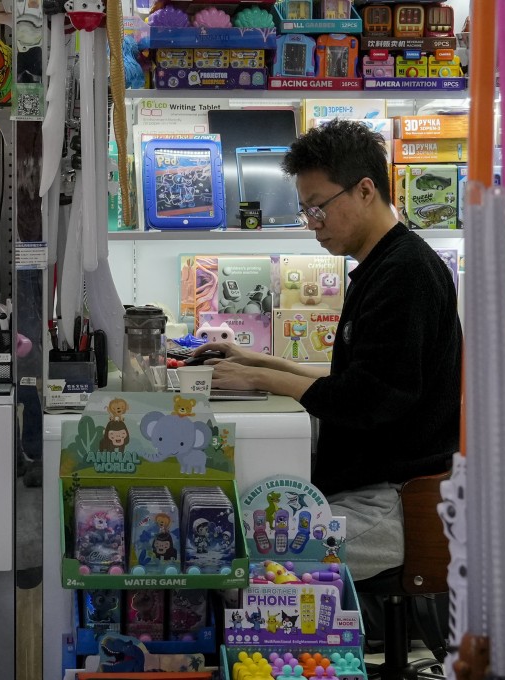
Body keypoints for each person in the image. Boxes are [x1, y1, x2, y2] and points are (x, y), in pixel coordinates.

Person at [194, 119, 461, 582]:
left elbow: (368, 400)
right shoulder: (381, 267)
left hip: (391, 501)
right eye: (306, 212)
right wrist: (256, 359)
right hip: (365, 488)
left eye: (318, 208)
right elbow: (355, 381)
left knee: (248, 566)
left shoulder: (406, 275)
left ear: (364, 190)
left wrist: (261, 378)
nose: (312, 225)